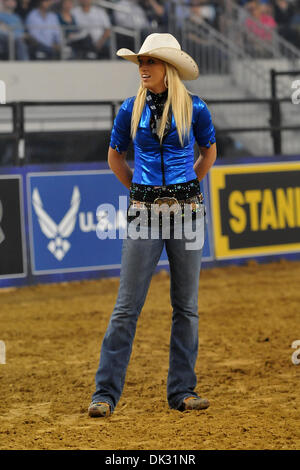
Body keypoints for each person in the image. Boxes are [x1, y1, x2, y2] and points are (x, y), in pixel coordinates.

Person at [88, 33, 217, 418]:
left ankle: (183, 391)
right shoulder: (130, 108)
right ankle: (104, 394)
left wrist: (184, 189)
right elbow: (115, 158)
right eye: (141, 62)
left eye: (151, 62)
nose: (143, 68)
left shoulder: (195, 108)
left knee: (186, 307)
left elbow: (209, 152)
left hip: (188, 214)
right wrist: (143, 191)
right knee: (126, 307)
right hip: (144, 214)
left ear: (169, 69)